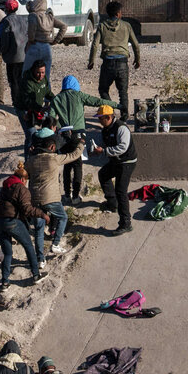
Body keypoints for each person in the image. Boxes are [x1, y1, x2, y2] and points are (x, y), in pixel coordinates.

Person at [48, 76, 118, 206]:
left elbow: (51, 119)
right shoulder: (79, 95)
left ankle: (67, 195)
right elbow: (97, 101)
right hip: (79, 136)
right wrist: (117, 105)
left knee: (67, 165)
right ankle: (75, 196)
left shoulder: (56, 99)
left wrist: (59, 129)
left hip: (64, 136)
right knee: (78, 165)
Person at [26, 130, 83, 257]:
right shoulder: (54, 158)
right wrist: (81, 144)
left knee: (39, 229)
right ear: (52, 147)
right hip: (51, 198)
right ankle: (56, 244)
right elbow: (74, 155)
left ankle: (40, 259)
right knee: (63, 217)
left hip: (34, 200)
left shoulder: (31, 160)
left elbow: (24, 173)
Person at [0, 161, 48, 287]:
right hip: (12, 221)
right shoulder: (21, 188)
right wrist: (42, 214)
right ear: (23, 179)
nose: (26, 183)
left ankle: (5, 283)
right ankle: (36, 275)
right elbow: (27, 209)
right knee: (28, 246)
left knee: (7, 253)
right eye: (26, 180)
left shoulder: (5, 187)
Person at [87, 1, 140, 119]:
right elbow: (135, 44)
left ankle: (110, 112)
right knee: (123, 92)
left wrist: (91, 61)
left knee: (103, 89)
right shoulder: (126, 26)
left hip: (107, 63)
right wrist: (137, 59)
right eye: (121, 12)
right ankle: (124, 116)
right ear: (118, 13)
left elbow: (95, 44)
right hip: (122, 63)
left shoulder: (102, 26)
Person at [89, 106, 137, 235]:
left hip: (126, 162)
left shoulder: (121, 128)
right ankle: (112, 203)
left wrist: (104, 151)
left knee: (121, 191)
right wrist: (96, 151)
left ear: (109, 117)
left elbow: (122, 148)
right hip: (116, 161)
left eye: (101, 118)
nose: (99, 121)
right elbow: (105, 144)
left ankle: (126, 223)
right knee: (103, 174)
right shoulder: (105, 129)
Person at [23, 0, 67, 84]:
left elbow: (31, 33)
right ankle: (47, 96)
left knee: (26, 73)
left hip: (35, 46)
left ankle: (27, 95)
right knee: (45, 76)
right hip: (47, 47)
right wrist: (56, 40)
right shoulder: (50, 17)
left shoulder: (33, 16)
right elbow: (64, 26)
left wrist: (30, 41)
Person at [16, 60, 53, 155]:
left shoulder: (44, 79)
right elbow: (28, 101)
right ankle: (28, 161)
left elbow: (48, 93)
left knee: (44, 133)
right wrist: (40, 109)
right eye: (38, 72)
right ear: (33, 71)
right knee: (31, 135)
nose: (40, 75)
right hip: (25, 110)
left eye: (43, 72)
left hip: (36, 110)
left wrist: (56, 100)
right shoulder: (27, 82)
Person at [0, 0, 28, 105]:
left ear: (6, 9)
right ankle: (24, 101)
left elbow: (4, 40)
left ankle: (16, 102)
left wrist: (2, 51)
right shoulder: (23, 19)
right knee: (23, 80)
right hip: (25, 55)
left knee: (14, 81)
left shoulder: (6, 21)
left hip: (12, 57)